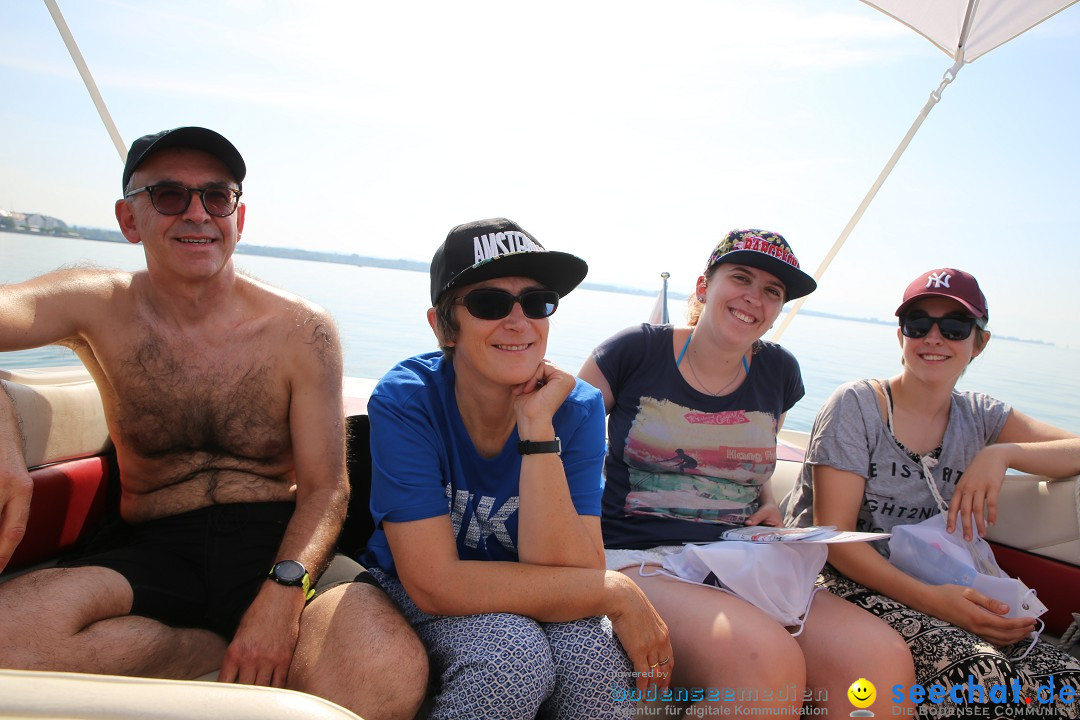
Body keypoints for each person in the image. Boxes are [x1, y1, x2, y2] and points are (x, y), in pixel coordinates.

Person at [0, 127, 427, 719]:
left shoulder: (302, 329)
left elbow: (328, 488)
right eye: (170, 195)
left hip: (278, 543)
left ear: (239, 216)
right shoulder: (95, 305)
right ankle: (194, 648)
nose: (197, 213)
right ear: (129, 219)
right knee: (9, 639)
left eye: (217, 196)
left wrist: (283, 593)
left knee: (383, 675)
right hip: (150, 549)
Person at [579, 229, 916, 717]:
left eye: (772, 291)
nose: (754, 298)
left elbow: (750, 453)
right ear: (703, 286)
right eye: (741, 278)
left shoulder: (778, 373)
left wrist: (769, 501)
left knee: (879, 664)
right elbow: (563, 445)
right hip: (639, 556)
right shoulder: (633, 352)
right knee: (765, 662)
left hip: (740, 554)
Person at [363, 217, 671, 719]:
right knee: (511, 657)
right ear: (444, 326)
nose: (519, 321)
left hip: (535, 584)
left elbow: (576, 569)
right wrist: (616, 591)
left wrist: (536, 429)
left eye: (536, 302)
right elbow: (432, 582)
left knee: (596, 661)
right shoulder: (408, 400)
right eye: (488, 303)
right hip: (410, 589)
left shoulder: (577, 409)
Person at [784, 267, 1080, 718]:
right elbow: (836, 541)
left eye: (955, 327)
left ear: (978, 343)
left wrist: (1000, 454)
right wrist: (939, 604)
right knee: (981, 678)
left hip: (932, 582)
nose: (934, 338)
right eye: (918, 324)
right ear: (901, 335)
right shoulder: (858, 406)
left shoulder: (979, 416)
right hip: (829, 579)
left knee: (1065, 682)